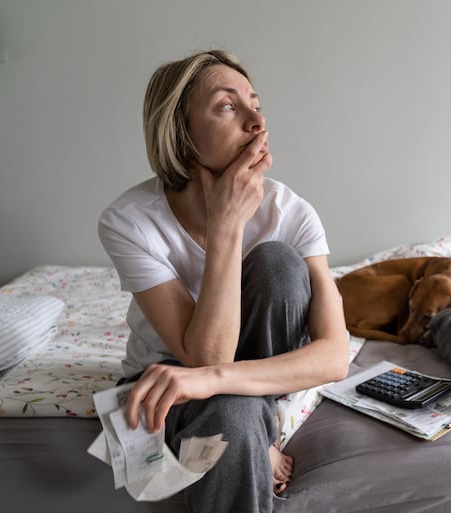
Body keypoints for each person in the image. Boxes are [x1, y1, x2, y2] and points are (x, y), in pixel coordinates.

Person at [97, 49, 349, 513]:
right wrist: (227, 224)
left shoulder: (291, 212)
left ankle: (258, 424)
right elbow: (203, 356)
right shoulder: (129, 221)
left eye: (256, 103)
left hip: (244, 374)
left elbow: (335, 356)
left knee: (277, 263)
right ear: (181, 135)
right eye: (228, 106)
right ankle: (252, 428)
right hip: (168, 379)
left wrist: (216, 381)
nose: (257, 121)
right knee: (231, 418)